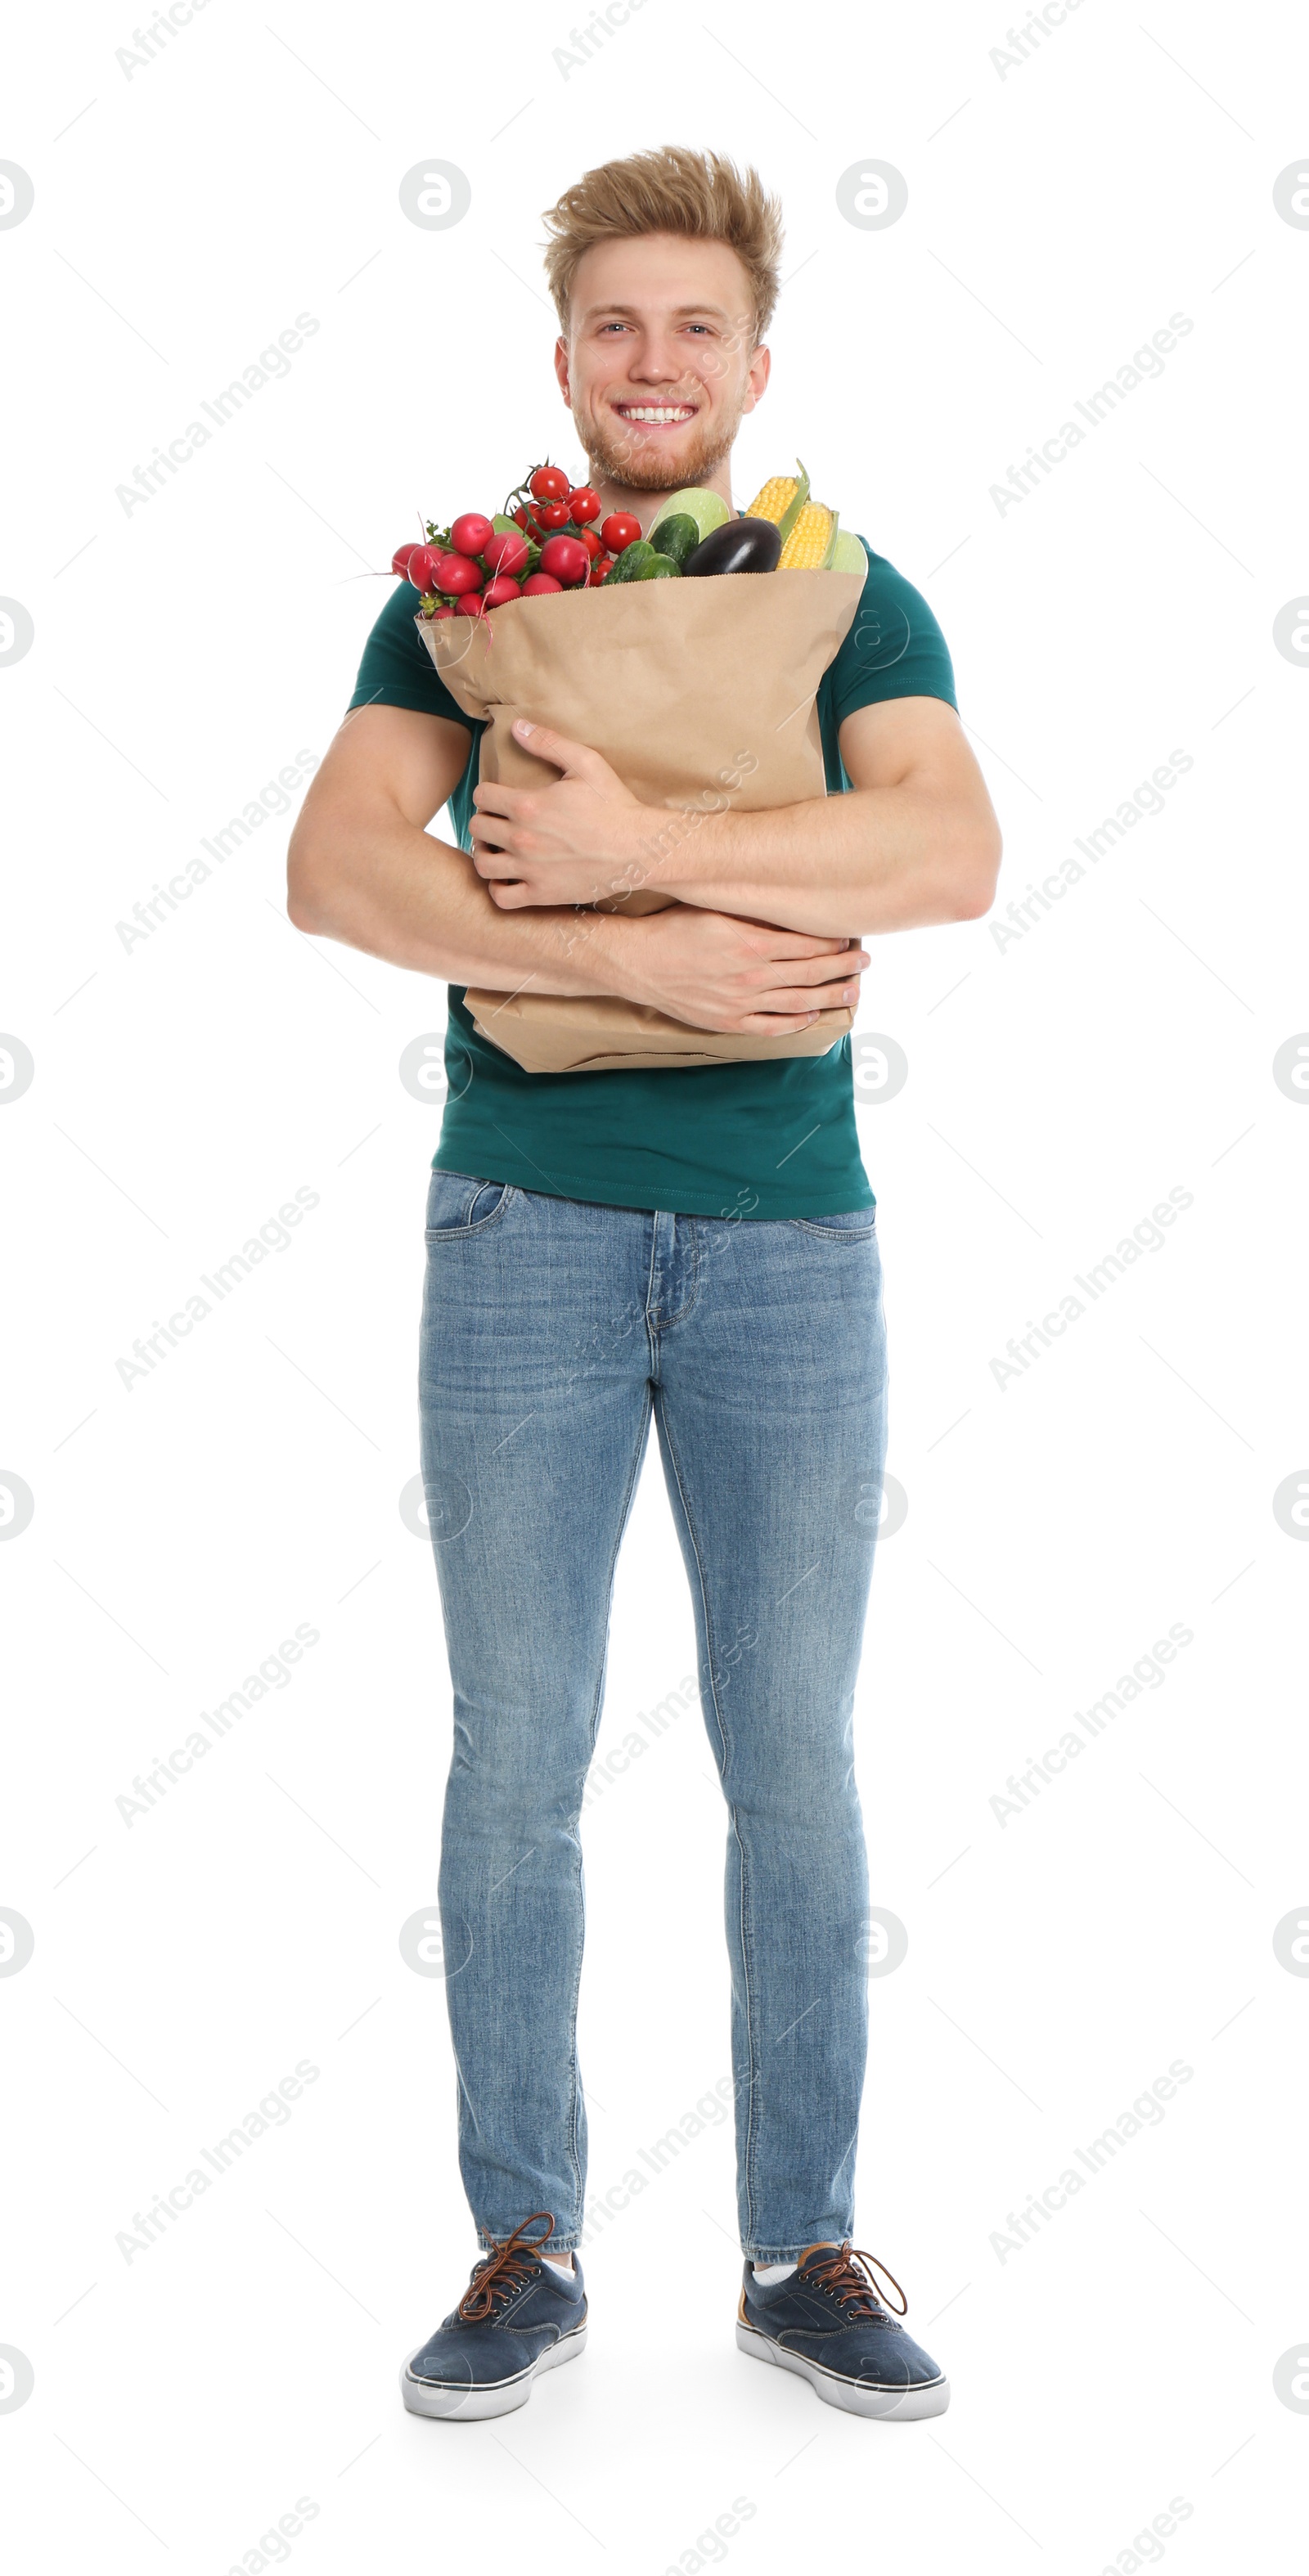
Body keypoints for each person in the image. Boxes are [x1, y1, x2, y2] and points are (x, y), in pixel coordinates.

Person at [287, 145, 1001, 2424]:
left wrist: (631, 849)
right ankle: (525, 2240)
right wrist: (648, 955)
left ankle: (803, 2245)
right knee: (521, 1755)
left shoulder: (845, 595)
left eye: (696, 327)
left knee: (793, 1753)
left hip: (795, 1237)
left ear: (758, 362)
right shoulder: (456, 608)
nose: (655, 362)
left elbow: (950, 846)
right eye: (616, 326)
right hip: (525, 1229)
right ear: (567, 358)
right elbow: (332, 871)